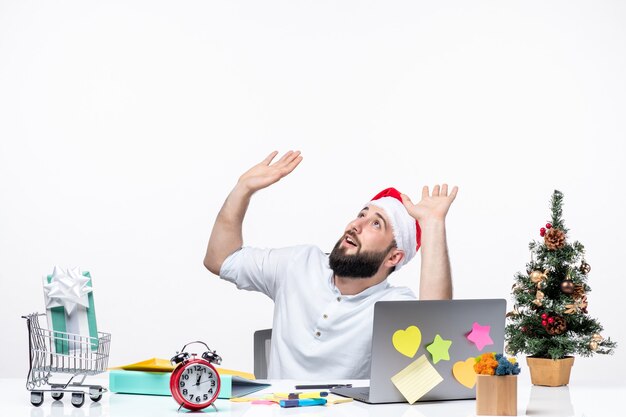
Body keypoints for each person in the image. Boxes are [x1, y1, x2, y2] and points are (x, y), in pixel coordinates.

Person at [203, 150, 458, 379]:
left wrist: (433, 225)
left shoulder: (392, 305)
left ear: (393, 257)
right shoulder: (299, 264)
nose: (355, 225)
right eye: (361, 214)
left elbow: (434, 342)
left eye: (376, 223)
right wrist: (243, 189)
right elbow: (220, 259)